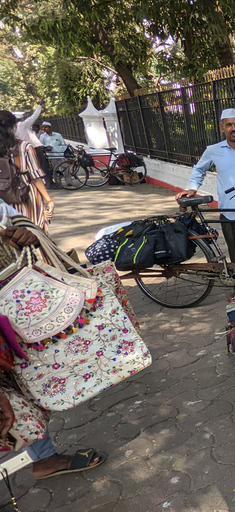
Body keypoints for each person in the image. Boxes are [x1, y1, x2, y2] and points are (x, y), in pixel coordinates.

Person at [0, 214, 107, 480]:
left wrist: (27, 234)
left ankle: (45, 458)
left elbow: (15, 219)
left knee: (20, 393)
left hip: (14, 305)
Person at [175, 108, 235, 301]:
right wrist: (193, 188)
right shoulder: (214, 151)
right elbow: (199, 170)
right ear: (222, 128)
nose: (233, 128)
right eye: (229, 125)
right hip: (231, 212)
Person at [0, 110, 54, 233]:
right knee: (33, 234)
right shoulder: (24, 147)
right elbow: (35, 177)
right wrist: (48, 200)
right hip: (25, 195)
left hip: (3, 202)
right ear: (13, 127)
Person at [14, 105, 52, 189]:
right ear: (21, 118)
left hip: (22, 149)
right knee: (43, 166)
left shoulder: (13, 128)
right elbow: (33, 117)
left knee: (28, 167)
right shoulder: (23, 124)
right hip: (34, 147)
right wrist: (39, 107)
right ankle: (49, 183)